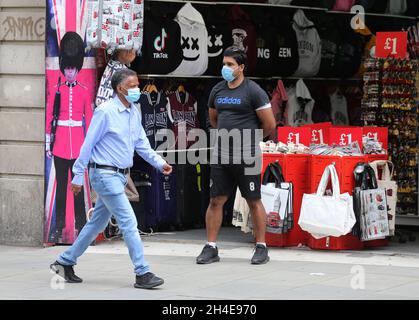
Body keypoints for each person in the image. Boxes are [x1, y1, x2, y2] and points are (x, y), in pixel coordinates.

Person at [50, 69, 173, 289]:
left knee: (97, 223)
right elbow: (87, 144)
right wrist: (78, 175)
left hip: (120, 175)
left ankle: (64, 262)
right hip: (104, 175)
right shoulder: (105, 112)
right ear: (120, 88)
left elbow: (141, 143)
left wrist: (159, 162)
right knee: (129, 222)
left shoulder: (135, 111)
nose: (138, 89)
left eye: (138, 84)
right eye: (133, 85)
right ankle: (142, 272)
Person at [196, 46, 276, 265]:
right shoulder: (217, 91)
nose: (226, 68)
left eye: (230, 64)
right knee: (216, 200)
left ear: (241, 67)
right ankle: (211, 247)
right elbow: (214, 119)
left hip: (247, 155)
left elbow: (269, 124)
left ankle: (261, 247)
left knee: (253, 200)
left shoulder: (254, 91)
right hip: (221, 156)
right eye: (224, 64)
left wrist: (249, 140)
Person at [45, 32, 92, 243]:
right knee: (62, 189)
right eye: (68, 68)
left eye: (73, 68)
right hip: (60, 145)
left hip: (79, 145)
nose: (70, 72)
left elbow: (89, 121)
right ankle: (59, 227)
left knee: (78, 188)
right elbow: (49, 117)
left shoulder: (83, 91)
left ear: (77, 69)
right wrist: (48, 142)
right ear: (64, 69)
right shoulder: (56, 90)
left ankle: (81, 226)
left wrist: (90, 147)